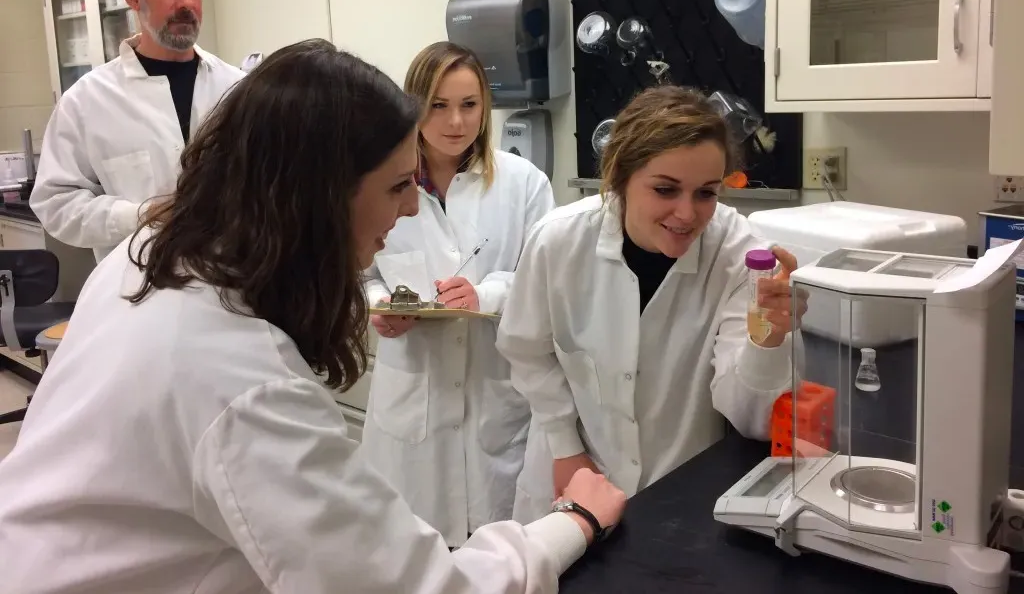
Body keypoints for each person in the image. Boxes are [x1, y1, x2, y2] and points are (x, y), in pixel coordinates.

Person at [0, 40, 625, 593]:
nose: (412, 210)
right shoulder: (242, 380)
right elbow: (416, 587)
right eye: (394, 188)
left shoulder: (149, 258)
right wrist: (573, 523)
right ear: (317, 195)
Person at [496, 85, 805, 523]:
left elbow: (750, 418)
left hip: (681, 492)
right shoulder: (558, 241)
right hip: (573, 475)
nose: (686, 214)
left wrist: (769, 339)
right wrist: (565, 448)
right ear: (620, 176)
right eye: (665, 189)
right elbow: (527, 352)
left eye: (706, 193)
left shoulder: (739, 257)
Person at [362, 41, 557, 549]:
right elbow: (358, 271)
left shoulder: (524, 184)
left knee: (498, 551)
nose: (455, 122)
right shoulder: (379, 181)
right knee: (413, 552)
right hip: (413, 404)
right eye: (439, 105)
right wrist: (381, 304)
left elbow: (547, 283)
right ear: (414, 106)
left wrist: (487, 293)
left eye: (469, 105)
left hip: (496, 399)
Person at [30, 0, 244, 261]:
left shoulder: (239, 89)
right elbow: (55, 204)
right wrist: (139, 215)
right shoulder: (86, 102)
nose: (186, 2)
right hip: (138, 294)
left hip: (233, 290)